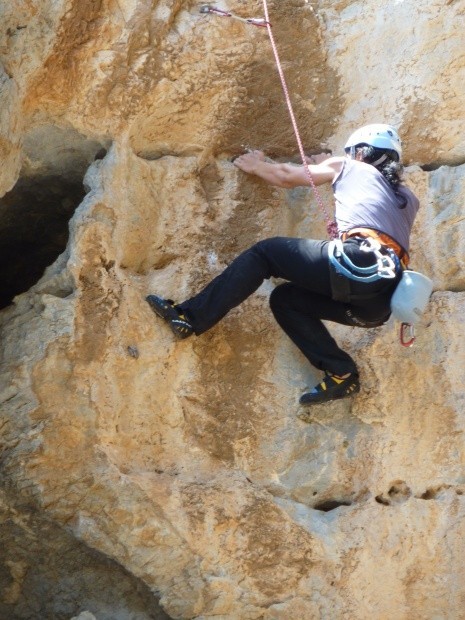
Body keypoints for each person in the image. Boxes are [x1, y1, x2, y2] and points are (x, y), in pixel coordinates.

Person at [146, 124, 419, 405]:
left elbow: (287, 176)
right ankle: (341, 373)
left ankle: (190, 317)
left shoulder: (347, 166)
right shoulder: (408, 199)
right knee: (286, 299)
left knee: (266, 253)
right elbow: (375, 216)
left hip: (357, 261)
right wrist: (323, 166)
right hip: (381, 299)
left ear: (359, 152)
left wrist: (257, 166)